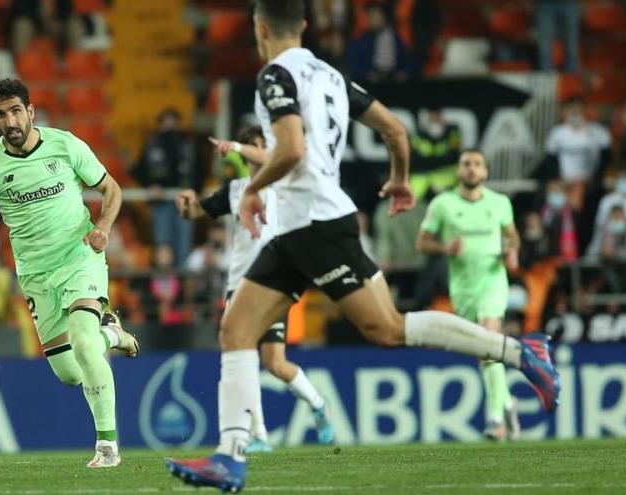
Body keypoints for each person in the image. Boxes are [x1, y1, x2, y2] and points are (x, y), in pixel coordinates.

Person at [165, 2, 559, 491]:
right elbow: (395, 130)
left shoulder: (273, 77)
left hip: (315, 224)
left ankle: (521, 352)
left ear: (260, 28)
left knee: (388, 329)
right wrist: (399, 180)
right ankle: (231, 456)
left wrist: (248, 192)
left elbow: (291, 149)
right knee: (236, 329)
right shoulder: (331, 75)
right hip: (298, 228)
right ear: (305, 26)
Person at [0, 78, 139, 468]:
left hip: (80, 259)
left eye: (15, 111)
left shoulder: (66, 145)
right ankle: (112, 333)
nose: (10, 120)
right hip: (36, 275)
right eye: (0, 114)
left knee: (83, 342)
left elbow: (112, 190)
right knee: (70, 373)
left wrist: (104, 228)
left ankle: (107, 447)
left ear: (31, 112)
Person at [176, 126, 336, 453]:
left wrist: (236, 145)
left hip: (273, 281)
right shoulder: (235, 190)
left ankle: (318, 403)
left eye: (263, 146)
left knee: (275, 362)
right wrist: (187, 204)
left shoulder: (283, 182)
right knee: (243, 356)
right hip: (238, 283)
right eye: (254, 145)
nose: (259, 151)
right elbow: (196, 212)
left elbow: (271, 158)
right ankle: (259, 435)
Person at [416, 149, 522, 441]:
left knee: (490, 337)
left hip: (492, 280)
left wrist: (512, 251)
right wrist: (445, 248)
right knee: (484, 352)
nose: (472, 169)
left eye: (477, 164)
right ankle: (507, 401)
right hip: (463, 288)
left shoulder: (499, 203)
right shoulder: (443, 204)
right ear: (459, 171)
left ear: (485, 172)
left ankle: (495, 419)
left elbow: (512, 235)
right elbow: (422, 243)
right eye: (466, 164)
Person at [132, 108, 200, 265]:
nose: (169, 127)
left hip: (184, 201)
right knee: (163, 242)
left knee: (183, 242)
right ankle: (164, 282)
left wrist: (194, 189)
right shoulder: (153, 144)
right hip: (161, 201)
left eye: (173, 122)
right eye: (165, 123)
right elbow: (139, 170)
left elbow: (199, 171)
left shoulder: (187, 144)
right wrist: (150, 185)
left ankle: (183, 282)